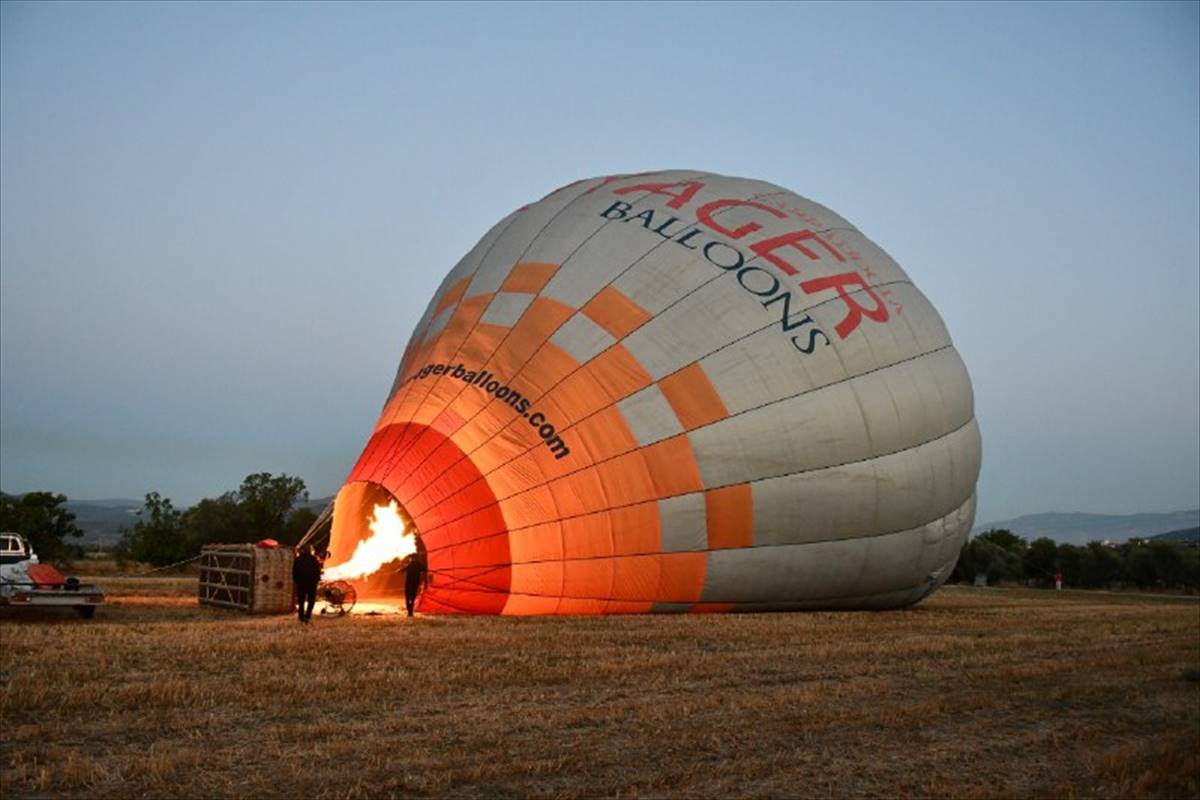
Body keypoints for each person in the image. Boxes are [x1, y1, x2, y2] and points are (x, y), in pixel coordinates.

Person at [292, 545, 322, 623]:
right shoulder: (313, 559)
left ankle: (301, 616)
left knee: (301, 601)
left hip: (301, 583)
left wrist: (297, 581)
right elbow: (317, 571)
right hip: (311, 583)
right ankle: (308, 615)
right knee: (311, 600)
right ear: (310, 551)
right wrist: (317, 580)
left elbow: (294, 572)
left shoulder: (298, 559)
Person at [403, 550, 427, 617]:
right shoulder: (419, 564)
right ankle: (411, 612)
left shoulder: (409, 565)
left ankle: (409, 612)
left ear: (412, 558)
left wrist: (398, 570)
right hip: (415, 583)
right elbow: (424, 569)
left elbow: (402, 570)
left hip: (408, 583)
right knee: (412, 598)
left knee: (407, 598)